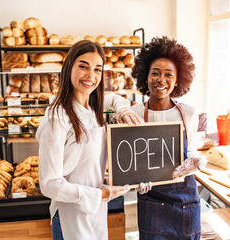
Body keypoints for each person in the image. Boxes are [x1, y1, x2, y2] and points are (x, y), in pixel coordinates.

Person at [36, 40, 141, 240]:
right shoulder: (56, 118)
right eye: (83, 66)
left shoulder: (93, 108)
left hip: (97, 211)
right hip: (69, 215)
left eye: (97, 70)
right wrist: (100, 195)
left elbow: (117, 100)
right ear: (69, 68)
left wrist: (124, 110)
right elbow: (49, 184)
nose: (91, 76)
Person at [131, 36, 206, 240]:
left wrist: (198, 162)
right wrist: (136, 180)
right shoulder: (134, 114)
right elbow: (131, 161)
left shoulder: (188, 113)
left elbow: (191, 152)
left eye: (168, 74)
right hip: (151, 203)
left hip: (185, 203)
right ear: (145, 76)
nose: (161, 80)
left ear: (177, 79)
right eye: (155, 73)